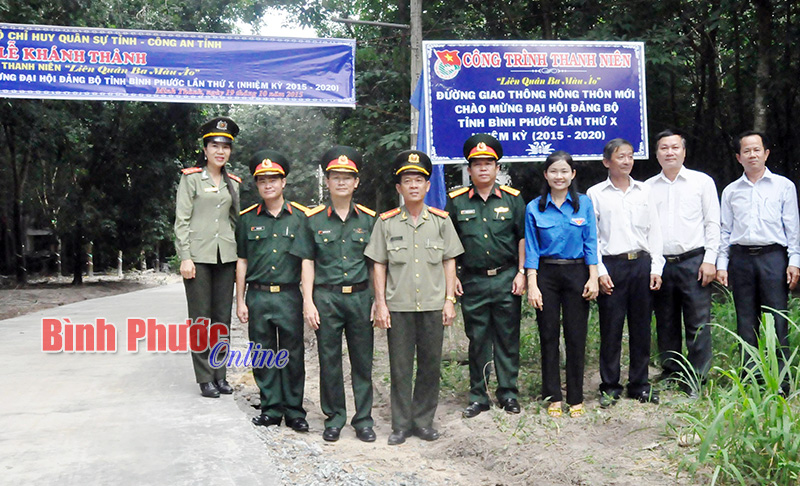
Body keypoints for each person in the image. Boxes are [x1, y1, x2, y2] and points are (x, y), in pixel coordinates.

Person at [364, 150, 464, 445]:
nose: (414, 186)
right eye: (407, 181)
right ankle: (400, 424)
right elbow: (378, 264)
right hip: (399, 306)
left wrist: (449, 300)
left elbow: (449, 261)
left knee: (431, 365)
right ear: (399, 188)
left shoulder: (441, 221)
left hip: (433, 304)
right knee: (401, 367)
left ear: (428, 185)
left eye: (419, 180)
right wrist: (380, 303)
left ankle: (423, 421)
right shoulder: (386, 222)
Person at [291, 146, 377, 443]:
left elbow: (375, 263)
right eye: (335, 177)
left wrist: (379, 301)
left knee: (362, 360)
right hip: (325, 298)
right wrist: (308, 302)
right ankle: (335, 417)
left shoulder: (369, 220)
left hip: (360, 297)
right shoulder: (312, 220)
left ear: (356, 182)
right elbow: (307, 262)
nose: (341, 182)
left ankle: (363, 418)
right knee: (329, 360)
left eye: (347, 177)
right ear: (327, 182)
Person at [445, 134, 526, 418]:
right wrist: (452, 276)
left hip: (506, 277)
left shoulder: (513, 200)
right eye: (477, 164)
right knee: (478, 338)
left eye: (488, 163)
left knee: (507, 337)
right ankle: (479, 396)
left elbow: (522, 239)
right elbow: (449, 243)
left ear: (497, 168)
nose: (482, 169)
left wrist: (522, 273)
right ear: (469, 170)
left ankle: (508, 393)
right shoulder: (455, 202)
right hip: (473, 279)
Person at [716, 131, 800, 390]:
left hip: (773, 257)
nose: (752, 155)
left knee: (777, 318)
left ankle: (782, 379)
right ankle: (750, 378)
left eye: (757, 150)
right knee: (745, 320)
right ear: (739, 157)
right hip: (741, 259)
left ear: (766, 153)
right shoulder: (731, 191)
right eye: (746, 151)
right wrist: (721, 263)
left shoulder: (783, 186)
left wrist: (794, 260)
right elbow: (725, 230)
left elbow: (792, 227)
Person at [235, 149, 310, 432]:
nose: (268, 185)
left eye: (274, 179)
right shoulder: (246, 219)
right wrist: (240, 301)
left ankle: (294, 411)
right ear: (257, 185)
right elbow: (242, 261)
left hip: (290, 295)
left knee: (292, 353)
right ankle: (270, 408)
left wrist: (307, 300)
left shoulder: (301, 217)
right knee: (263, 352)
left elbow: (306, 261)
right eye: (262, 180)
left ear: (283, 183)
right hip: (258, 295)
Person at [587, 139, 664, 408]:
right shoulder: (595, 193)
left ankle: (640, 384)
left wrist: (656, 267)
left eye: (630, 156)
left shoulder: (644, 191)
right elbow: (592, 237)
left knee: (642, 327)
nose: (627, 161)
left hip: (641, 264)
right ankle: (609, 386)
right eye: (621, 157)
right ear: (607, 162)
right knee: (611, 328)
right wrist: (600, 271)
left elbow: (654, 231)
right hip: (612, 266)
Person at [525, 150, 598, 418]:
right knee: (548, 335)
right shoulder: (534, 207)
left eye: (564, 171)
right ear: (546, 175)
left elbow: (591, 243)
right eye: (554, 171)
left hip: (577, 273)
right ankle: (553, 396)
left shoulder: (584, 204)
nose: (559, 176)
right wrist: (532, 284)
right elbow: (531, 249)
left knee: (576, 336)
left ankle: (576, 397)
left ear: (573, 174)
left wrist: (593, 277)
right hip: (547, 275)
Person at [646, 129, 719, 395]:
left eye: (674, 147)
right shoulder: (648, 188)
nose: (669, 152)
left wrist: (710, 259)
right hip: (661, 263)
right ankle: (671, 371)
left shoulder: (701, 182)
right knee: (665, 320)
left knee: (698, 322)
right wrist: (654, 265)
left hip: (694, 261)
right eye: (664, 148)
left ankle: (698, 377)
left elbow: (713, 223)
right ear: (657, 154)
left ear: (684, 152)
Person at [174, 116, 242, 398]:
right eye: (214, 145)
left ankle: (220, 375)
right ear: (205, 149)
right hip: (199, 258)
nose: (220, 151)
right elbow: (181, 220)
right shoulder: (191, 179)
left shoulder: (234, 182)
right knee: (201, 319)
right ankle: (204, 377)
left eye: (225, 146)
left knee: (221, 319)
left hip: (225, 257)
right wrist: (185, 256)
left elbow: (235, 221)